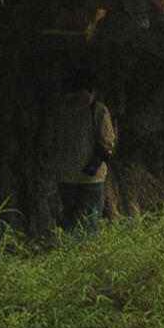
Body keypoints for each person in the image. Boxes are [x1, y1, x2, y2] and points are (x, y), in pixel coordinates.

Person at [48, 65, 116, 232]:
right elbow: (107, 142)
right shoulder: (97, 110)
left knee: (70, 222)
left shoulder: (60, 110)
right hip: (88, 178)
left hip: (69, 176)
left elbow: (51, 141)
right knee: (89, 224)